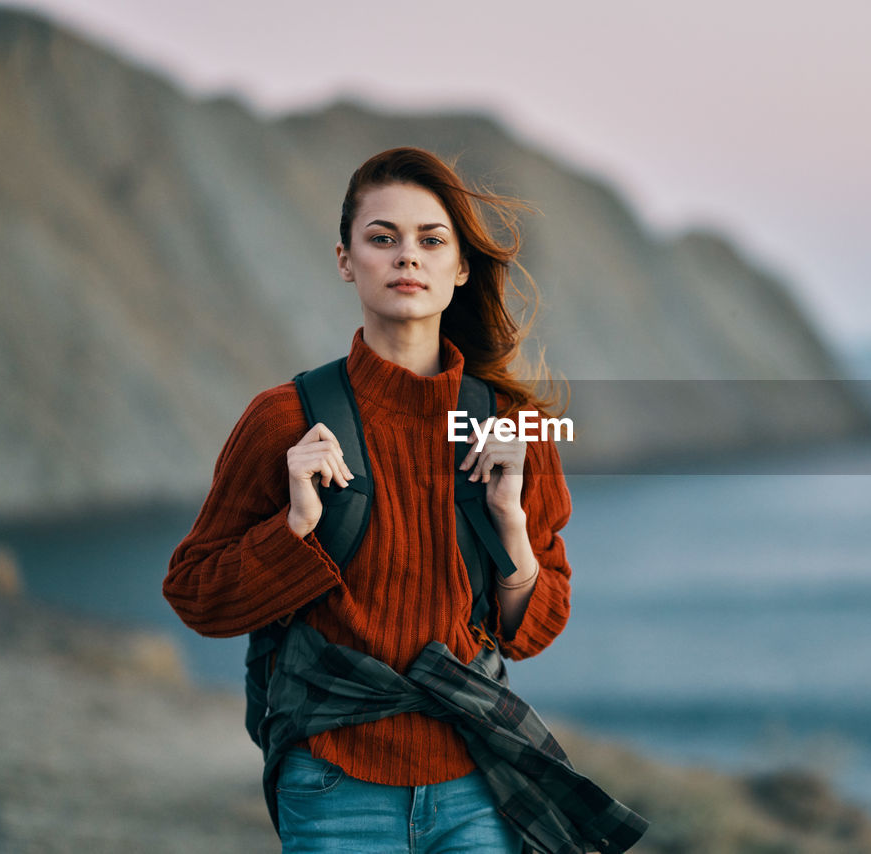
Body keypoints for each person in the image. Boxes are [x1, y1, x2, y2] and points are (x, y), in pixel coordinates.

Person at [163, 147, 577, 853]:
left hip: (477, 784)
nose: (406, 258)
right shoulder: (283, 419)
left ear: (461, 267)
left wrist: (511, 530)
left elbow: (532, 630)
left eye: (431, 240)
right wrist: (294, 529)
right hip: (333, 789)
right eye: (382, 238)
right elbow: (197, 595)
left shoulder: (514, 427)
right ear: (346, 260)